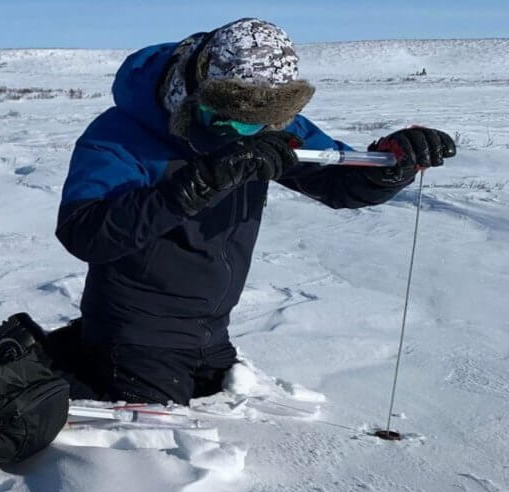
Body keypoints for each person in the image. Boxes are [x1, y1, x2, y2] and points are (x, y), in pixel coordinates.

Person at [48, 18, 455, 405]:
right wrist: (200, 182)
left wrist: (394, 164)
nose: (245, 131)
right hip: (135, 331)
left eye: (259, 124)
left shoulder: (269, 123)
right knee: (162, 453)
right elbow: (85, 233)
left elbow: (338, 181)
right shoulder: (120, 136)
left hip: (212, 334)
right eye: (229, 119)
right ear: (194, 89)